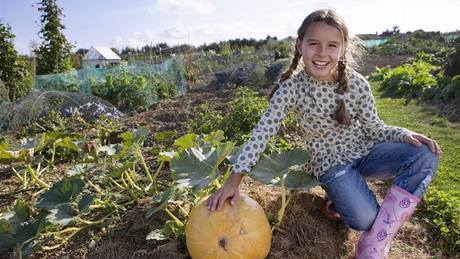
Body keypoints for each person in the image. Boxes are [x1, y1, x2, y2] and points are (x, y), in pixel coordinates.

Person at [206, 9, 441, 258]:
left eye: (331, 45)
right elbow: (262, 133)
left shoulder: (358, 84)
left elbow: (375, 128)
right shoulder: (291, 90)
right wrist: (234, 180)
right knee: (364, 219)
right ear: (300, 45)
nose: (322, 53)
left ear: (342, 49)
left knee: (425, 153)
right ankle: (340, 194)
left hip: (365, 151)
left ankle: (374, 243)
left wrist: (405, 133)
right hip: (329, 163)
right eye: (314, 43)